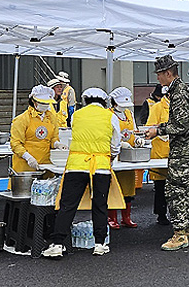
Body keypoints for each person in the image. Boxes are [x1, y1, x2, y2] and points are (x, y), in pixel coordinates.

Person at [42, 88, 123, 258]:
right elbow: (116, 144)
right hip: (100, 166)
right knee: (100, 205)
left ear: (85, 100)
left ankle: (57, 244)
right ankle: (99, 244)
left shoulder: (77, 115)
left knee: (68, 205)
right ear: (104, 101)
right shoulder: (111, 117)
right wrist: (110, 157)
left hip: (76, 165)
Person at [145, 55, 189, 251]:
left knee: (174, 190)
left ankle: (179, 234)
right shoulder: (180, 91)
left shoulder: (178, 93)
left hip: (184, 149)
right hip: (188, 148)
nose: (158, 78)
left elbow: (179, 125)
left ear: (168, 73)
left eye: (159, 74)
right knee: (183, 189)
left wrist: (157, 130)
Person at [108, 87, 145, 229]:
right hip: (114, 155)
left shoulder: (129, 114)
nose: (124, 108)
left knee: (128, 189)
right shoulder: (108, 114)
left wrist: (137, 140)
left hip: (128, 155)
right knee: (113, 188)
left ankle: (126, 217)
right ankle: (112, 218)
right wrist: (119, 144)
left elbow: (133, 131)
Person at [10, 85, 63, 172]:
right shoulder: (21, 119)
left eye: (47, 103)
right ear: (33, 101)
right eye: (42, 103)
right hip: (25, 166)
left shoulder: (51, 118)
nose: (45, 106)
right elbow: (15, 144)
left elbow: (53, 138)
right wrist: (28, 157)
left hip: (46, 164)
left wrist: (57, 144)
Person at [145, 86, 171, 225]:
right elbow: (150, 127)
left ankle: (175, 214)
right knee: (161, 186)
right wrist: (159, 133)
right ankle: (161, 214)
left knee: (175, 186)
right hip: (160, 151)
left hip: (175, 151)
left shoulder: (179, 107)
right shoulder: (157, 107)